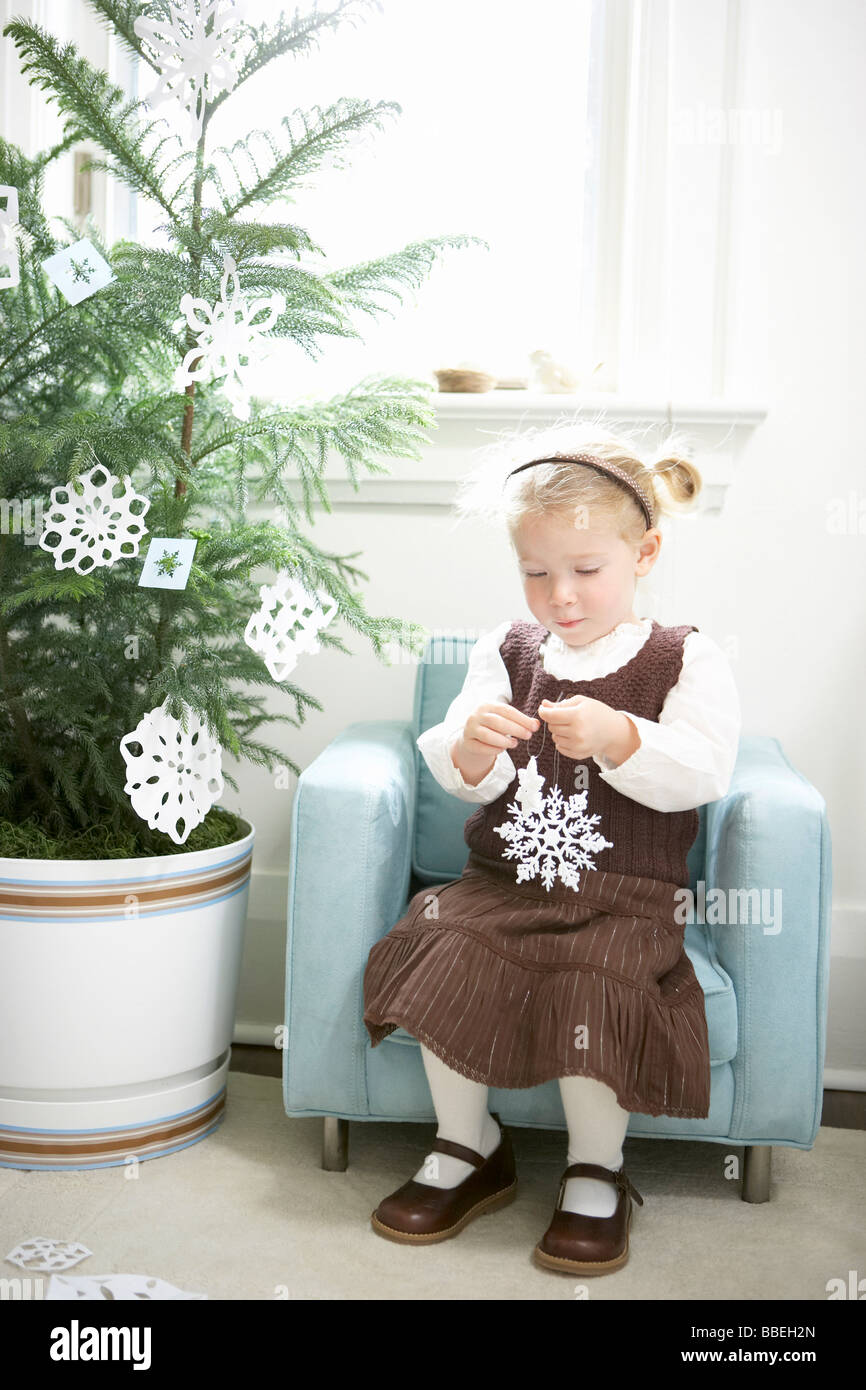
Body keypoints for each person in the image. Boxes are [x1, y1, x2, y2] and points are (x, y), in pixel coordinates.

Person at [362, 419, 741, 1276]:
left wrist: (619, 736)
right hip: (508, 883)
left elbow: (703, 772)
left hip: (623, 895)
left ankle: (594, 1170)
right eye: (536, 573)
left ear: (643, 554)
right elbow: (463, 767)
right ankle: (468, 1146)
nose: (559, 595)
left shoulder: (684, 659)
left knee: (590, 982)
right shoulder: (509, 650)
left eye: (585, 571)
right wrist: (472, 749)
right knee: (445, 945)